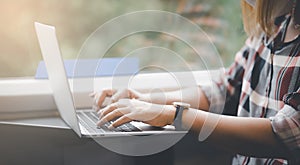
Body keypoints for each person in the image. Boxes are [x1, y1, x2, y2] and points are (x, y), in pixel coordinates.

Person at [91, 0, 300, 164]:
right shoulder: (267, 32)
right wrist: (148, 100)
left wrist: (175, 116)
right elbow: (223, 90)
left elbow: (282, 136)